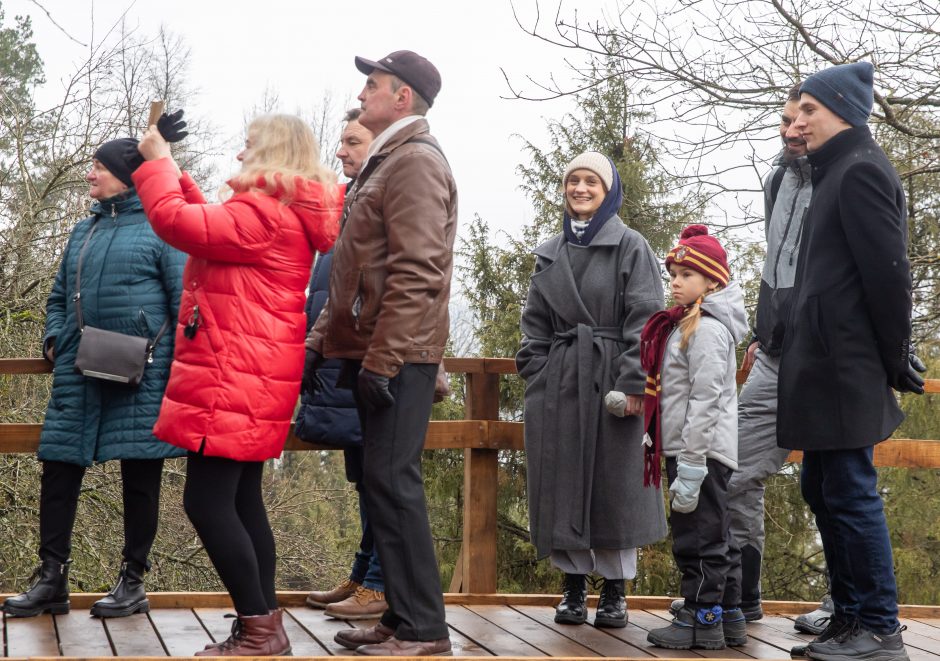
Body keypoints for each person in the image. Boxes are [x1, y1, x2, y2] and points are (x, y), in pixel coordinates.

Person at [132, 113, 340, 657]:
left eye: (249, 146)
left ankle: (259, 628)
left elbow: (178, 224)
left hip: (234, 377)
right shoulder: (278, 211)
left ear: (272, 150)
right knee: (243, 502)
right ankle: (262, 623)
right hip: (251, 375)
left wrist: (157, 163)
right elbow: (208, 222)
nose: (241, 154)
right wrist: (170, 168)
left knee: (206, 502)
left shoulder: (264, 213)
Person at [303, 50, 456, 657]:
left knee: (395, 483)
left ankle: (426, 630)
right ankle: (400, 615)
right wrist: (320, 343)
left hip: (399, 356)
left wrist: (385, 360)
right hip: (374, 351)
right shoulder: (388, 160)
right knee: (381, 484)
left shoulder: (415, 162)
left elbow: (419, 271)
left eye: (373, 85)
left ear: (402, 97)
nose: (362, 93)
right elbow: (353, 270)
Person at [1, 132, 187, 619]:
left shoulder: (162, 227)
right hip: (78, 369)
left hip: (142, 375)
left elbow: (185, 301)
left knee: (140, 478)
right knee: (58, 471)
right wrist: (54, 340)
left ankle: (133, 581)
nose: (89, 173)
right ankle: (51, 581)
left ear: (125, 177)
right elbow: (60, 296)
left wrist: (160, 362)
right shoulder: (82, 231)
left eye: (98, 167)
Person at [669, 83, 834, 632]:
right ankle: (738, 595)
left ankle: (849, 605)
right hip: (775, 356)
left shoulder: (848, 179)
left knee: (835, 482)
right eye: (785, 121)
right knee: (732, 473)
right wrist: (768, 327)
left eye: (803, 119)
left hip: (831, 360)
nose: (791, 130)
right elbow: (777, 266)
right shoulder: (778, 181)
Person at [779, 62, 924, 661]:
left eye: (810, 109)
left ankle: (880, 629)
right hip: (821, 360)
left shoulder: (861, 171)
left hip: (847, 363)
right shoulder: (833, 172)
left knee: (851, 490)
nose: (798, 120)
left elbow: (889, 279)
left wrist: (894, 358)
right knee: (822, 485)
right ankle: (850, 617)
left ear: (843, 111)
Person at [516, 151, 667, 629]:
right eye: (573, 181)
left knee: (614, 488)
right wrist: (538, 371)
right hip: (560, 384)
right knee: (563, 485)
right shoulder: (549, 251)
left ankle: (616, 591)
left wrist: (630, 385)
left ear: (608, 192)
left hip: (613, 389)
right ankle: (574, 587)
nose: (580, 189)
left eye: (591, 183)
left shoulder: (631, 246)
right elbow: (534, 325)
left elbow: (646, 319)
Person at [297, 109, 387, 620]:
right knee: (364, 479)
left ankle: (379, 582)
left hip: (371, 367)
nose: (340, 151)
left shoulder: (383, 202)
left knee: (381, 479)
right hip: (341, 371)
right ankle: (363, 572)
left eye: (351, 141)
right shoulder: (351, 205)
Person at [642, 225, 749, 650]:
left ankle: (699, 618)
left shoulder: (704, 330)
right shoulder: (690, 325)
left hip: (698, 452)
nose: (674, 282)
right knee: (715, 532)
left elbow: (704, 399)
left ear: (711, 281)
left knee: (698, 537)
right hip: (697, 448)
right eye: (672, 274)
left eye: (685, 274)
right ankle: (728, 614)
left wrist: (691, 461)